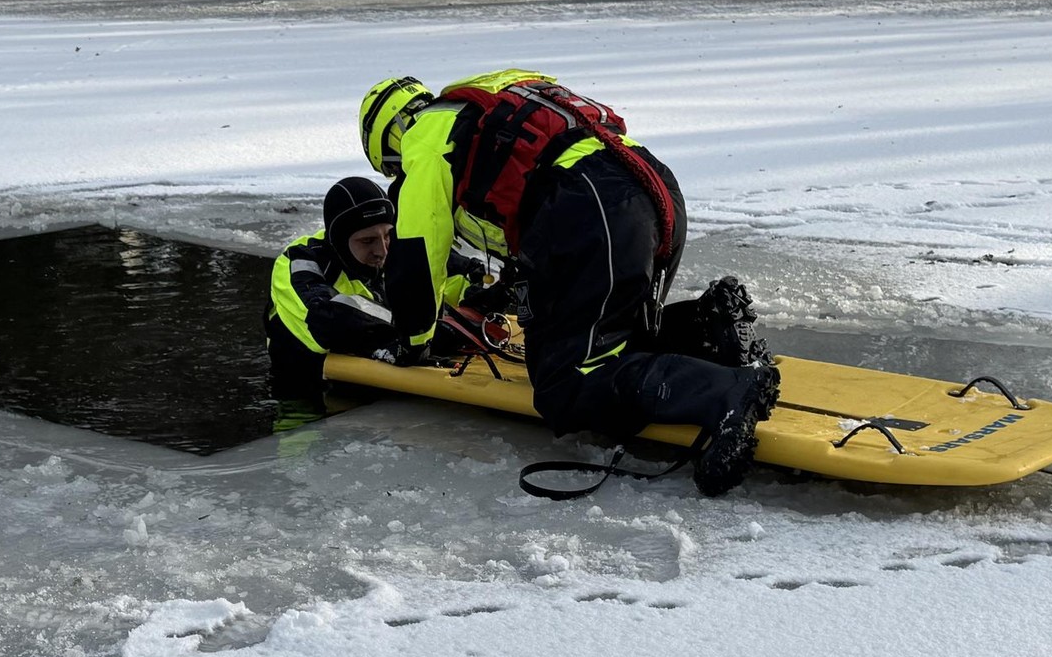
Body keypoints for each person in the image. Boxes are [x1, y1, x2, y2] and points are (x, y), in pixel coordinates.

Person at [358, 69, 780, 496]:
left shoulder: (424, 138)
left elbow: (417, 251)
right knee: (615, 338)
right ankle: (705, 325)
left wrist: (413, 341)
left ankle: (725, 394)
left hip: (589, 209)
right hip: (649, 186)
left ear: (391, 137)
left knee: (568, 382)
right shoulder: (493, 97)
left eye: (393, 170)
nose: (399, 177)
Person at [265, 176, 493, 433]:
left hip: (385, 397)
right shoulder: (299, 261)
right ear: (339, 240)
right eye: (367, 241)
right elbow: (326, 318)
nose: (382, 250)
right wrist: (423, 331)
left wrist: (481, 297)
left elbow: (451, 276)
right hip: (307, 400)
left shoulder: (392, 249)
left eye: (388, 235)